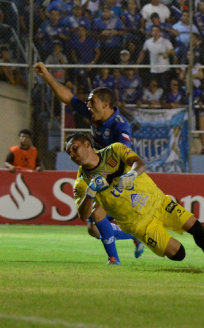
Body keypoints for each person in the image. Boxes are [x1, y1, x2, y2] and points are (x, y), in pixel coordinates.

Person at [34, 62, 144, 265]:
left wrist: (108, 176)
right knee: (94, 229)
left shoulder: (120, 126)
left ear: (105, 105)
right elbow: (68, 98)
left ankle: (114, 259)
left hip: (116, 175)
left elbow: (123, 154)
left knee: (97, 217)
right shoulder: (95, 116)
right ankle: (134, 235)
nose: (87, 106)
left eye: (91, 102)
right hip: (97, 171)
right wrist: (47, 75)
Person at [66, 133, 204, 269]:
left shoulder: (114, 150)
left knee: (194, 225)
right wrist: (90, 192)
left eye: (74, 149)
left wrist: (132, 174)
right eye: (69, 153)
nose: (72, 155)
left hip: (158, 202)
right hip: (140, 224)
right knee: (178, 254)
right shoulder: (82, 182)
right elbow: (83, 215)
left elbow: (139, 164)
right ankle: (135, 238)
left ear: (87, 144)